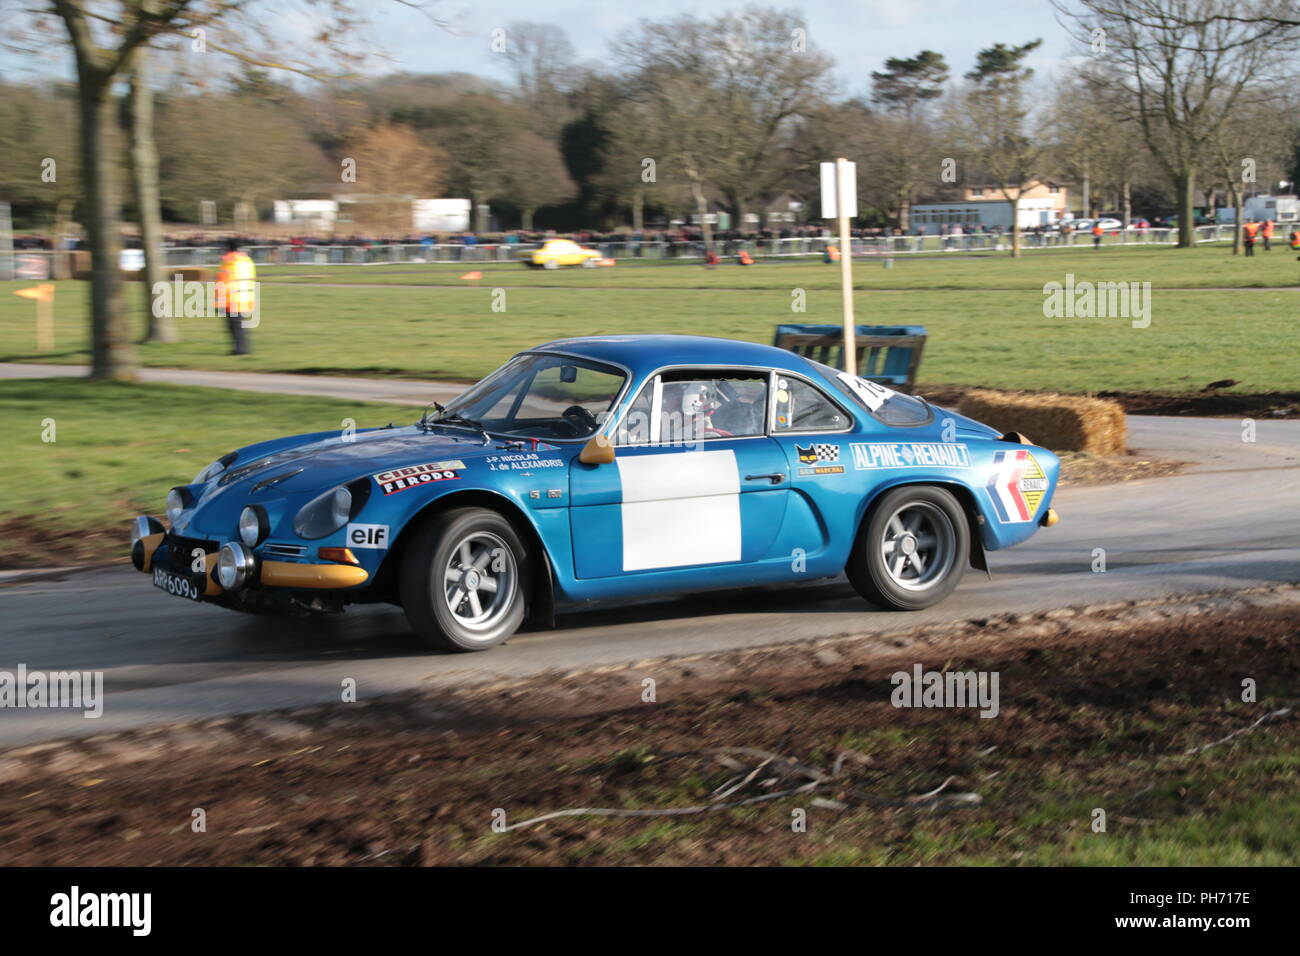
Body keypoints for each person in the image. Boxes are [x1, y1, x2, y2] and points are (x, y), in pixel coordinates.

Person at [214, 237, 255, 355]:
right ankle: (243, 348)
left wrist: (219, 303)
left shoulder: (229, 262)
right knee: (240, 325)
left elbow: (223, 283)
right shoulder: (247, 260)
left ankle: (240, 350)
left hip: (232, 299)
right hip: (246, 297)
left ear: (228, 248)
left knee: (234, 326)